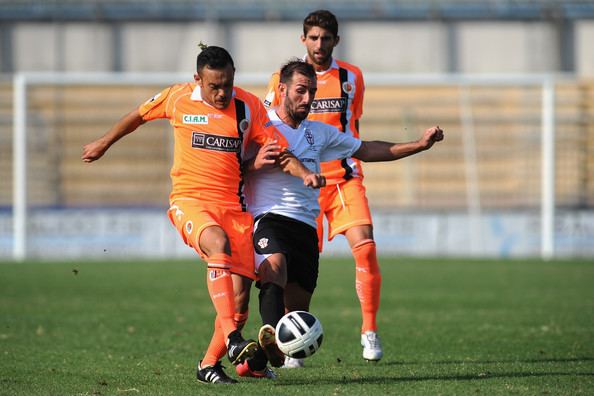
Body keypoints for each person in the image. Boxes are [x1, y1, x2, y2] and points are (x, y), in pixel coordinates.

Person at [81, 46, 316, 384]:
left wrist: (301, 171)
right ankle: (235, 340)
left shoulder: (247, 105)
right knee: (216, 244)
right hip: (190, 200)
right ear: (198, 80)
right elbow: (138, 115)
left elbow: (277, 149)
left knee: (239, 300)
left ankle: (208, 365)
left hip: (234, 208)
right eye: (214, 86)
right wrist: (104, 142)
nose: (222, 93)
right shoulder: (177, 97)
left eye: (228, 85)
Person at [237, 59, 443, 374]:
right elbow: (231, 164)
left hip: (305, 226)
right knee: (273, 268)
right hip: (269, 217)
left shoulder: (319, 133)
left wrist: (419, 144)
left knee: (297, 309)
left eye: (312, 93)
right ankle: (271, 338)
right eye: (300, 91)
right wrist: (255, 168)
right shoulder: (260, 125)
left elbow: (367, 149)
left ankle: (260, 360)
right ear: (281, 90)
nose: (307, 99)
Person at [263, 9, 385, 365]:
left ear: (336, 41)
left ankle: (369, 330)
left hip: (343, 177)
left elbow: (352, 128)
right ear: (303, 40)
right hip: (301, 188)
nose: (319, 45)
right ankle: (292, 345)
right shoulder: (281, 78)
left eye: (326, 38)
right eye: (313, 38)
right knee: (297, 269)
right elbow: (273, 126)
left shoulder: (352, 77)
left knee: (365, 246)